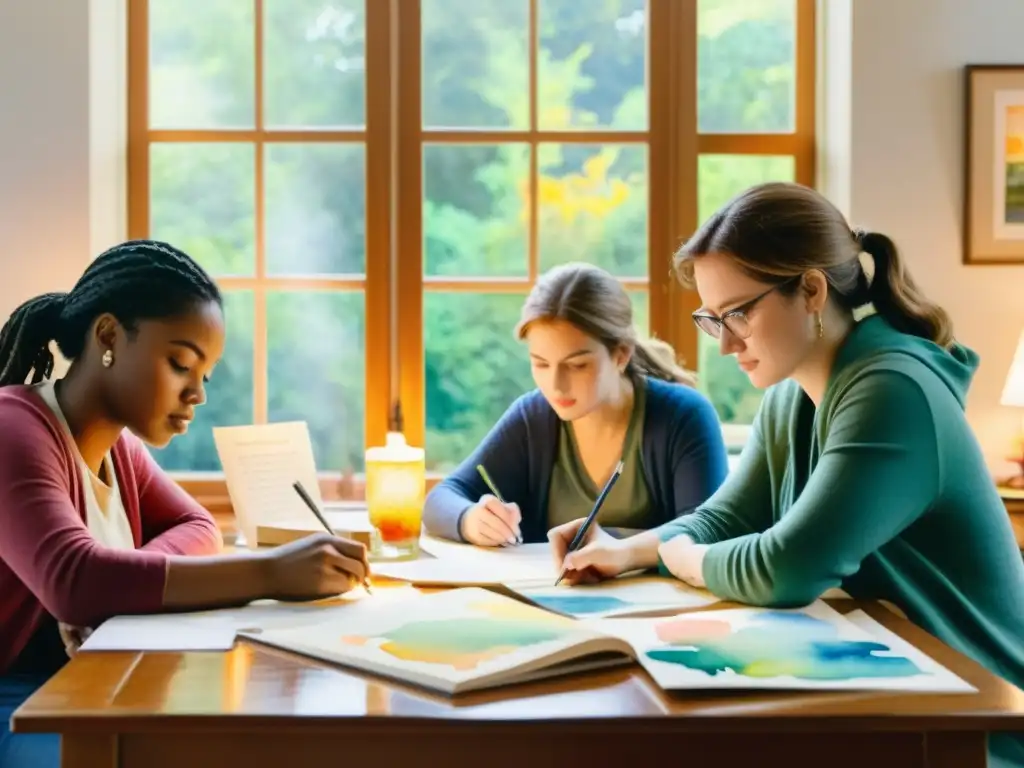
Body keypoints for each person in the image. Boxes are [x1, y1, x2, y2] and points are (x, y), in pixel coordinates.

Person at [548, 183, 1024, 768]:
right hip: (897, 694)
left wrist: (679, 558)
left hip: (976, 725)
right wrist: (624, 551)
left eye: (738, 313)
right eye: (711, 318)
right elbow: (729, 517)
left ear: (813, 290)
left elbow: (787, 568)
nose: (724, 344)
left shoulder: (893, 390)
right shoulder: (795, 390)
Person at [0, 240, 369, 768]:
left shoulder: (117, 449)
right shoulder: (15, 427)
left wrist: (116, 590)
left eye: (205, 376)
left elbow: (198, 525)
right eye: (179, 363)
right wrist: (271, 573)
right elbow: (74, 580)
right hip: (17, 701)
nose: (197, 393)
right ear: (108, 336)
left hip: (80, 688)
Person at [422, 262, 728, 547]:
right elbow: (441, 499)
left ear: (621, 355)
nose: (555, 385)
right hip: (543, 603)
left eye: (577, 365)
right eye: (541, 364)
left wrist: (622, 554)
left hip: (665, 605)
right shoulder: (533, 418)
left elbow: (707, 533)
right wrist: (470, 520)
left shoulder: (684, 417)